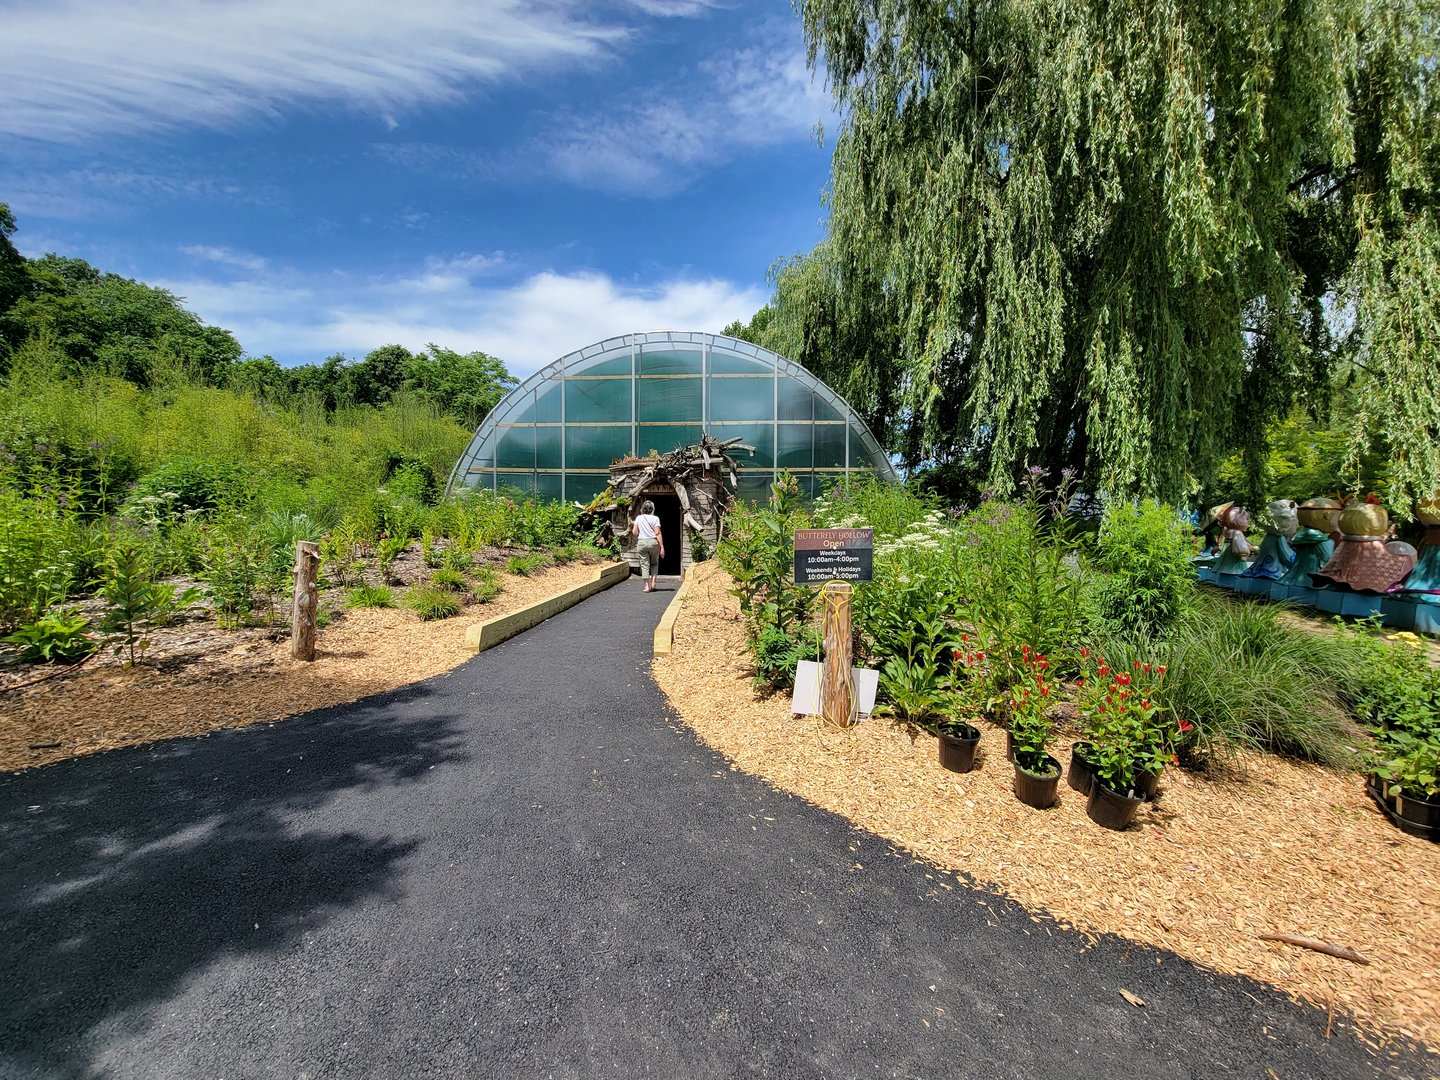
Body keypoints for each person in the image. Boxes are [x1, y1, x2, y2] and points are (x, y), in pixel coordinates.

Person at [631, 500, 664, 592]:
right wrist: (662, 547)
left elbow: (634, 532)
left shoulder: (638, 518)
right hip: (653, 542)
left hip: (642, 543)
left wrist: (640, 531)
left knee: (644, 565)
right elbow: (658, 533)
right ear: (652, 509)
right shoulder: (655, 518)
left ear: (642, 509)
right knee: (654, 563)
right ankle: (653, 583)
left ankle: (646, 586)